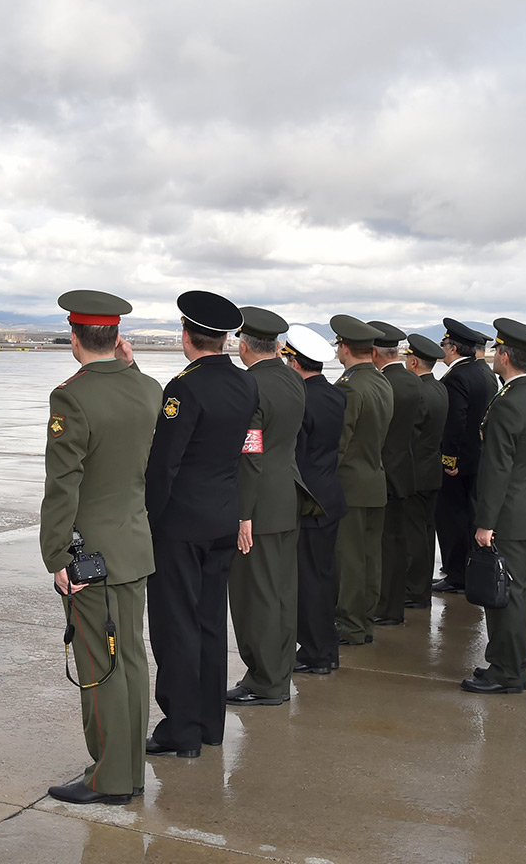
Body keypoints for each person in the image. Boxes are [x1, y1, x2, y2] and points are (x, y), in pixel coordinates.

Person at [41, 290, 162, 806]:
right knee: (131, 658)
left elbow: (62, 485)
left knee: (101, 667)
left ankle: (110, 778)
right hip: (134, 546)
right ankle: (130, 770)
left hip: (91, 557)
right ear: (117, 338)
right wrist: (128, 368)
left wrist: (55, 556)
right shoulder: (149, 388)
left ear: (75, 338)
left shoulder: (72, 397)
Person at [145, 291, 257, 758]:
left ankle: (181, 729)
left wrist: (149, 519)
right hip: (222, 518)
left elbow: (164, 465)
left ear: (187, 336)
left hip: (181, 525)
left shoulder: (183, 388)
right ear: (226, 339)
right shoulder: (244, 383)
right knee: (212, 622)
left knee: (176, 625)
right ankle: (211, 724)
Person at [461, 319, 526, 694]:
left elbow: (497, 468)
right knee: (514, 593)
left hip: (508, 514)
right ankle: (502, 661)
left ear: (504, 355)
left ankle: (509, 672)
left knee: (507, 599)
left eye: (496, 353)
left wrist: (485, 522)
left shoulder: (509, 403)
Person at [226, 307, 306, 707]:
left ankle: (265, 681)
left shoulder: (250, 386)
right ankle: (276, 673)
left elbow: (250, 454)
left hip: (258, 506)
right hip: (286, 498)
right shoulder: (293, 380)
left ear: (243, 346)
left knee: (253, 597)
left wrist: (243, 514)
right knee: (280, 593)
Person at [282, 325, 348, 675]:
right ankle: (325, 647)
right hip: (330, 495)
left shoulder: (301, 399)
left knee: (308, 581)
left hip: (308, 500)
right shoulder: (336, 395)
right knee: (323, 576)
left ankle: (315, 652)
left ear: (294, 362)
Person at [331, 314, 394, 646]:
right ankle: (364, 621)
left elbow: (339, 441)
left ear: (344, 347)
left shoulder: (350, 386)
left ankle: (351, 624)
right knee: (370, 559)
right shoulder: (381, 381)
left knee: (351, 559)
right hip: (374, 479)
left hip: (351, 484)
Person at [433, 319, 498, 593]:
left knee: (452, 519)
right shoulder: (483, 372)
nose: (443, 350)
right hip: (478, 456)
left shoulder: (457, 376)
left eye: (445, 345)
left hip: (460, 461)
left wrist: (449, 459)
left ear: (454, 348)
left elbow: (454, 422)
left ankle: (457, 573)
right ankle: (467, 569)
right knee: (469, 515)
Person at [370, 321, 421, 626]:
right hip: (405, 468)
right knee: (398, 542)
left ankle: (386, 607)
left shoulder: (385, 384)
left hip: (384, 470)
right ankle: (394, 604)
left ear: (376, 353)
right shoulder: (415, 382)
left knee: (385, 545)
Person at [399, 333, 449, 610]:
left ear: (414, 361)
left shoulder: (418, 392)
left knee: (414, 534)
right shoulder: (438, 388)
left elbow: (410, 434)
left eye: (407, 358)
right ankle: (421, 585)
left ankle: (415, 590)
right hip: (432, 468)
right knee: (426, 531)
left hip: (417, 470)